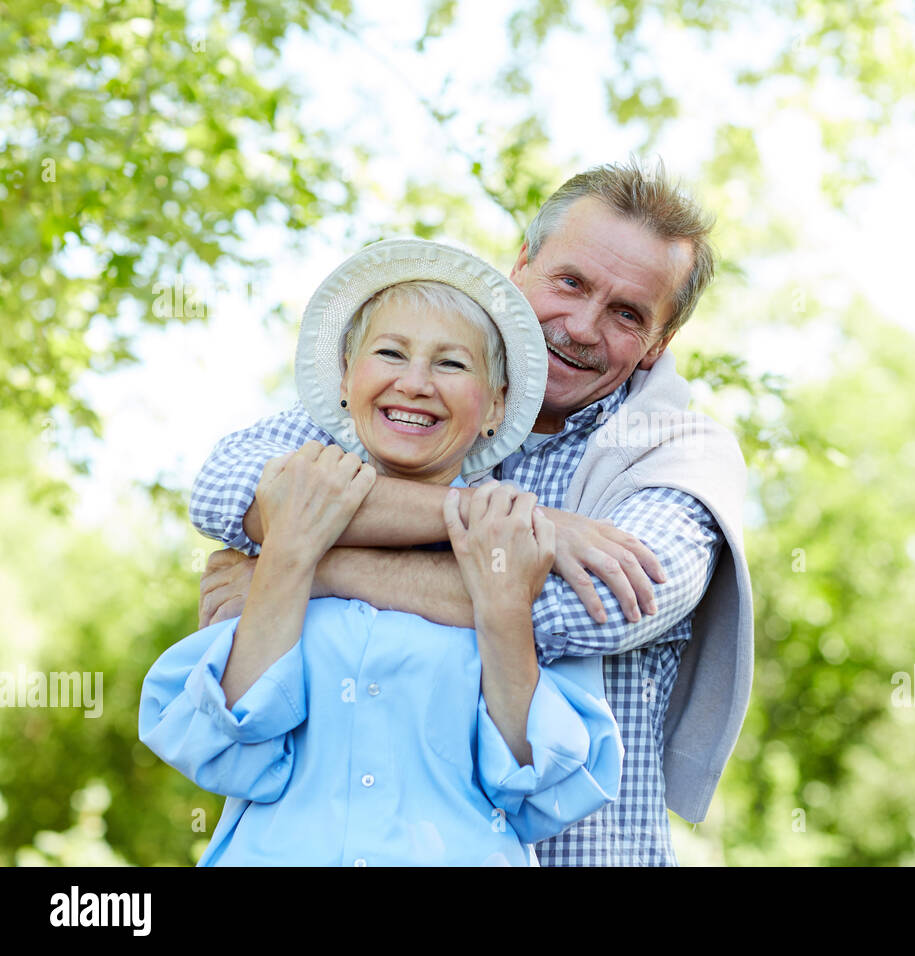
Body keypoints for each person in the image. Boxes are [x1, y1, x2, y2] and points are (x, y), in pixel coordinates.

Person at [191, 159, 754, 866]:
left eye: (627, 313)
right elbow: (226, 490)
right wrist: (515, 531)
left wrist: (300, 567)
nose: (581, 325)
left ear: (658, 343)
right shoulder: (415, 395)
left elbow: (593, 608)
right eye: (571, 282)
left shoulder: (678, 450)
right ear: (520, 267)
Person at [140, 242, 623, 866]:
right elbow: (230, 749)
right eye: (391, 352)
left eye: (452, 365)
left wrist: (501, 609)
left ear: (496, 405)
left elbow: (535, 792)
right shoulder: (287, 509)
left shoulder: (519, 542)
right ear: (346, 378)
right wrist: (288, 558)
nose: (415, 383)